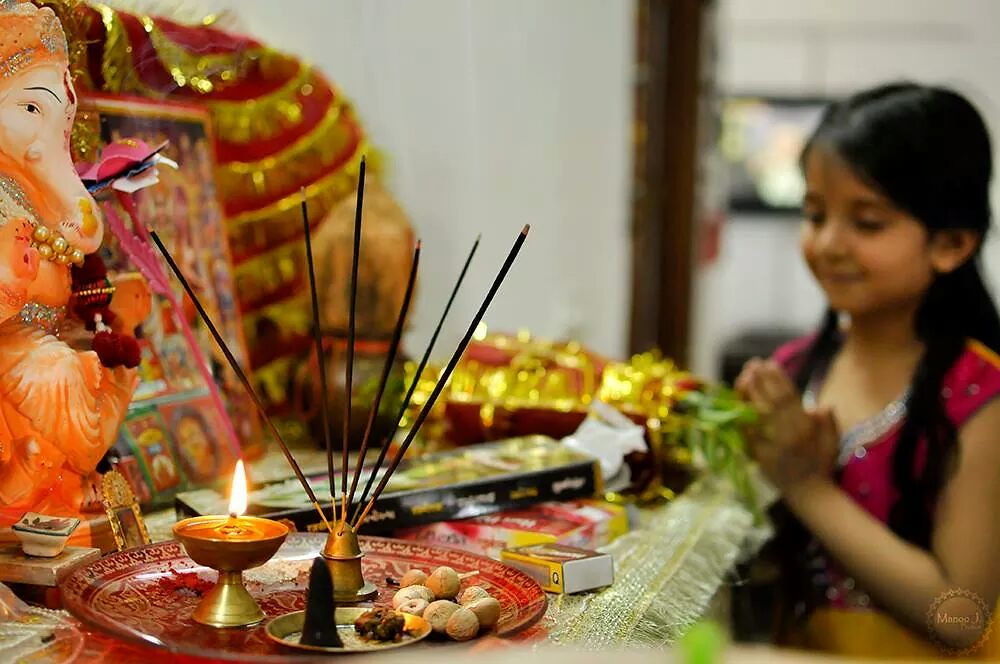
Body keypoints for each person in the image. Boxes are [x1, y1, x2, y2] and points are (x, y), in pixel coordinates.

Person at [736, 83, 1000, 659]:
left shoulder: (982, 397)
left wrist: (805, 484)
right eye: (815, 214)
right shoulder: (795, 370)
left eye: (868, 222)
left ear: (951, 244)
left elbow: (959, 616)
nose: (829, 243)